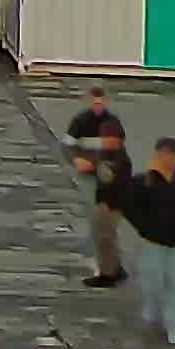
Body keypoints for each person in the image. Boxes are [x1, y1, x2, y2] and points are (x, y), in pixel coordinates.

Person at [109, 137, 175, 340]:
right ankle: (151, 312)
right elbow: (127, 204)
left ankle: (173, 323)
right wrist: (144, 227)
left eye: (169, 155)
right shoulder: (145, 181)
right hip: (154, 241)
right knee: (154, 281)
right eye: (162, 155)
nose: (166, 159)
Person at [66, 90, 130, 287]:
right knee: (102, 227)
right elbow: (68, 146)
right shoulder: (80, 121)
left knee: (103, 228)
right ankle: (112, 267)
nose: (98, 106)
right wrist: (76, 160)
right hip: (95, 180)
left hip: (108, 187)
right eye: (95, 103)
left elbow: (112, 167)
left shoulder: (112, 125)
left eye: (101, 102)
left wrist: (95, 165)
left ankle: (108, 270)